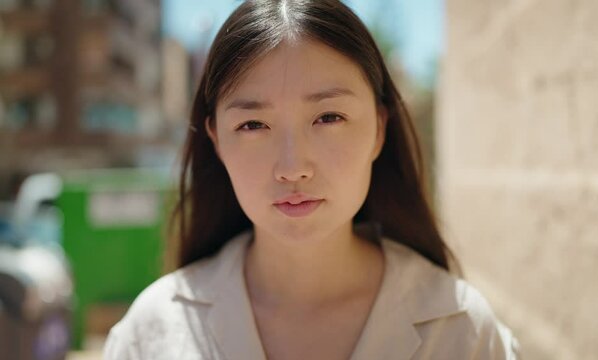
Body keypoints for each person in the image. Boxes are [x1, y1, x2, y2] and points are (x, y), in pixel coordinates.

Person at [104, 0, 520, 359]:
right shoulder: (153, 330)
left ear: (378, 128)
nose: (292, 167)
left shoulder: (460, 329)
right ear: (215, 139)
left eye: (328, 117)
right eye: (252, 125)